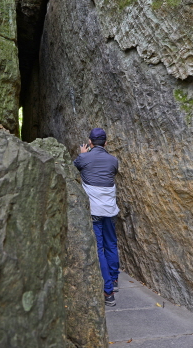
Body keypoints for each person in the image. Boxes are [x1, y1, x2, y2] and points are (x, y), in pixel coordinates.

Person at [73, 127, 120, 306]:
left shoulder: (84, 157)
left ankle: (107, 292)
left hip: (94, 211)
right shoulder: (113, 160)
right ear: (106, 143)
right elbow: (111, 174)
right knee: (111, 243)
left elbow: (74, 169)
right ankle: (114, 280)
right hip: (110, 210)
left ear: (90, 142)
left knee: (98, 249)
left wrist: (83, 153)